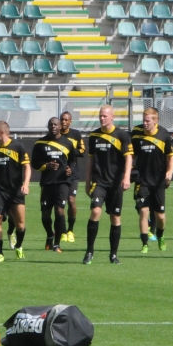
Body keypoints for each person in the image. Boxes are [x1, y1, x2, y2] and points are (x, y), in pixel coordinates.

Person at [84, 106, 133, 265]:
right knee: (95, 211)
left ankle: (113, 254)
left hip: (116, 184)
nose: (102, 118)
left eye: (105, 116)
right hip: (99, 182)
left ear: (112, 117)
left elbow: (129, 157)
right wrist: (87, 181)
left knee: (115, 217)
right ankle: (89, 251)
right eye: (100, 116)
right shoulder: (94, 136)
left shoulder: (121, 135)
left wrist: (126, 177)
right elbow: (90, 160)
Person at [0, 121, 30, 262]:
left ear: (1, 133)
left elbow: (27, 167)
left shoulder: (18, 147)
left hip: (16, 192)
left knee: (20, 225)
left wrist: (26, 184)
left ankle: (19, 247)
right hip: (0, 192)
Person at [131, 108, 173, 254]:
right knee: (143, 212)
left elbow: (171, 157)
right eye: (143, 120)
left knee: (160, 216)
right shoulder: (136, 135)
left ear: (156, 121)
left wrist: (169, 172)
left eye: (147, 120)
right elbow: (133, 155)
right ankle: (144, 244)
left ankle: (161, 236)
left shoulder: (164, 135)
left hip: (158, 182)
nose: (144, 123)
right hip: (142, 181)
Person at [31, 117, 76, 252]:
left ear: (60, 126)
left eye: (55, 124)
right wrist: (46, 166)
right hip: (47, 183)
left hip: (62, 182)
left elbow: (73, 161)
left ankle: (57, 244)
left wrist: (70, 169)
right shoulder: (40, 143)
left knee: (60, 210)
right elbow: (34, 164)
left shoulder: (68, 143)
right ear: (48, 126)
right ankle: (50, 234)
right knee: (45, 214)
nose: (53, 127)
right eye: (51, 124)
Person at [59, 111, 86, 243]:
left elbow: (82, 151)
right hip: (59, 173)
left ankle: (70, 230)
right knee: (61, 203)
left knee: (71, 200)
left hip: (73, 171)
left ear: (70, 122)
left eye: (66, 120)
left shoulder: (75, 134)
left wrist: (69, 150)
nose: (63, 122)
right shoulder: (56, 134)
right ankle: (62, 231)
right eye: (62, 120)